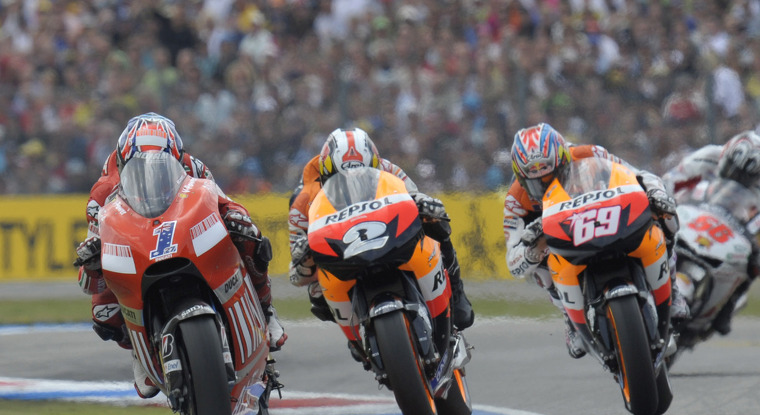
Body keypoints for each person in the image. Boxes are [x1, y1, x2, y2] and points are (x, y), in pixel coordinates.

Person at [75, 112, 287, 398]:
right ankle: (139, 351)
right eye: (140, 166)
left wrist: (238, 219)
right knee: (103, 313)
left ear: (176, 156)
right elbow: (89, 273)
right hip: (136, 238)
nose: (152, 171)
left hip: (180, 229)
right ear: (124, 162)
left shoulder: (193, 166)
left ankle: (265, 308)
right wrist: (91, 258)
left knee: (251, 240)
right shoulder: (103, 190)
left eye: (163, 163)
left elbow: (224, 202)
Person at [504, 123, 688, 358]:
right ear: (520, 177)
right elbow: (513, 261)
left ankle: (671, 286)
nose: (545, 185)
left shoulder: (589, 154)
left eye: (552, 177)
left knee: (664, 215)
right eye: (535, 182)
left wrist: (655, 193)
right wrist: (531, 250)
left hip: (603, 215)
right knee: (538, 262)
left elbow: (639, 175)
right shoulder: (515, 200)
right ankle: (569, 316)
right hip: (560, 237)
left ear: (563, 160)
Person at [287, 127, 475, 332]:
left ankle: (456, 292)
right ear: (325, 175)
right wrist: (304, 262)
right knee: (316, 292)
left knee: (435, 224)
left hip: (386, 233)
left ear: (375, 165)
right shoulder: (303, 201)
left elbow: (416, 202)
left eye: (363, 176)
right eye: (343, 180)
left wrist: (428, 207)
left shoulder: (388, 169)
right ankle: (355, 331)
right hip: (342, 251)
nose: (354, 185)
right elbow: (296, 274)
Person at [663, 130, 760, 334]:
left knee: (755, 260)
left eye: (745, 176)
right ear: (726, 155)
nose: (737, 176)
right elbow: (669, 182)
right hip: (693, 211)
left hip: (733, 222)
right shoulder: (707, 156)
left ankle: (729, 304)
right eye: (733, 169)